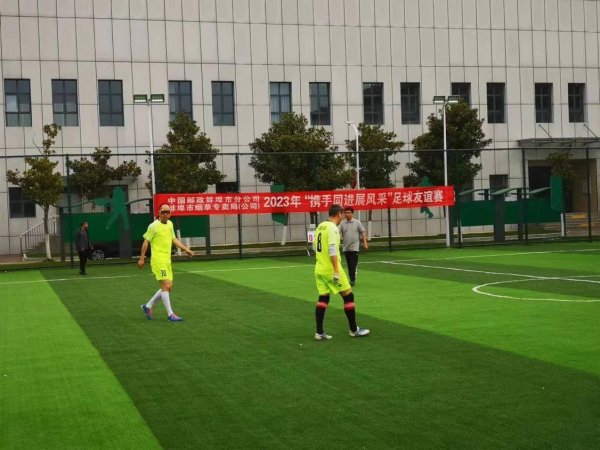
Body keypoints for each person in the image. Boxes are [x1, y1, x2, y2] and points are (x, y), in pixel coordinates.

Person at [313, 204, 370, 341]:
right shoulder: (333, 228)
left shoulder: (320, 226)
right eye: (342, 214)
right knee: (349, 296)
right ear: (339, 214)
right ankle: (354, 330)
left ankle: (319, 332)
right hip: (330, 269)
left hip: (319, 268)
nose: (343, 217)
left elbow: (315, 246)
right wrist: (336, 270)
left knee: (323, 299)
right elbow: (332, 248)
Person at [138, 203, 195, 321]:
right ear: (159, 213)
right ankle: (170, 315)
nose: (165, 214)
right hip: (158, 260)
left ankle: (147, 306)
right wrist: (142, 258)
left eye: (167, 212)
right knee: (165, 286)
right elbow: (146, 242)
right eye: (163, 212)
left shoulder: (170, 224)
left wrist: (186, 249)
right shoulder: (153, 226)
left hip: (167, 261)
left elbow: (174, 239)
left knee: (168, 288)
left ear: (170, 213)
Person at [339, 207, 368, 286]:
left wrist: (365, 243)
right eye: (346, 213)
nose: (347, 214)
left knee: (352, 264)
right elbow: (337, 232)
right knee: (349, 265)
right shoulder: (342, 223)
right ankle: (352, 278)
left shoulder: (357, 222)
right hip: (346, 247)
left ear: (352, 213)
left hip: (354, 247)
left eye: (349, 213)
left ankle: (352, 280)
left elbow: (362, 232)